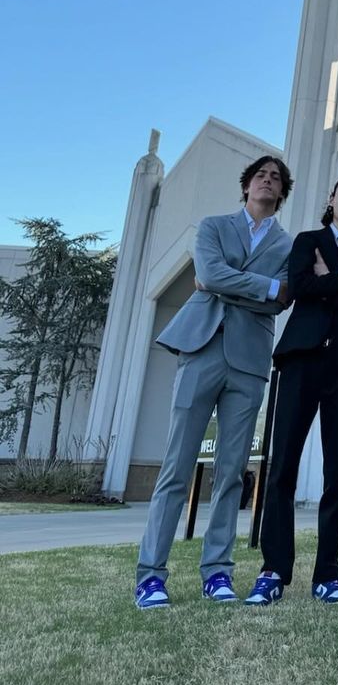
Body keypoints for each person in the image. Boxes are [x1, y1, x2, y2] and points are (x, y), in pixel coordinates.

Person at [134, 155, 294, 608]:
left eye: (276, 178)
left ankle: (217, 571)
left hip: (249, 361)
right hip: (201, 349)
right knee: (176, 467)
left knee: (231, 472)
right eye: (260, 175)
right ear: (246, 185)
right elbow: (207, 274)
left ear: (282, 192)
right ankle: (151, 576)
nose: (267, 181)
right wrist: (261, 285)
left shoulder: (288, 245)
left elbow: (281, 299)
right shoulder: (213, 226)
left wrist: (233, 284)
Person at [245, 174, 338, 605]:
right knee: (283, 466)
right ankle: (273, 570)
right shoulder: (307, 241)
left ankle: (328, 574)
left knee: (337, 473)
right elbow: (300, 287)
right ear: (331, 199)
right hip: (301, 359)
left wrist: (330, 281)